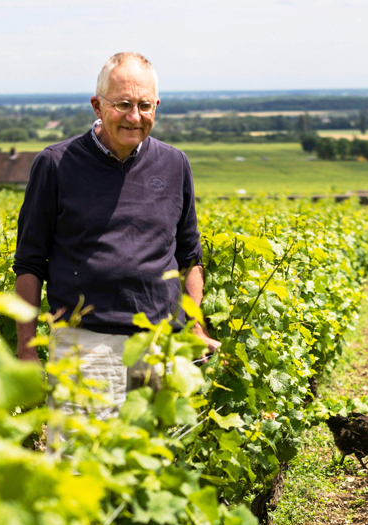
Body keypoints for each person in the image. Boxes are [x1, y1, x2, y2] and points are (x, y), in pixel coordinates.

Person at [13, 51, 218, 420]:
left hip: (162, 346)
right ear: (97, 105)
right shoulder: (56, 165)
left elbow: (189, 257)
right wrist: (26, 348)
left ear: (156, 107)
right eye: (123, 104)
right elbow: (29, 263)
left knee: (155, 454)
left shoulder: (175, 164)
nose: (134, 117)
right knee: (81, 455)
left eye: (144, 105)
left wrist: (196, 327)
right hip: (86, 346)